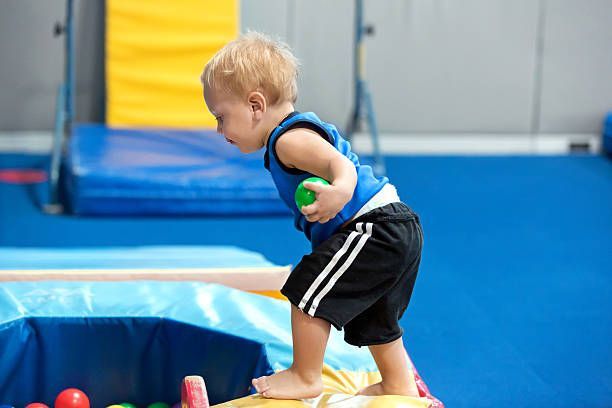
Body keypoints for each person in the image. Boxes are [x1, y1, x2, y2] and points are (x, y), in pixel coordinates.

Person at [201, 31, 423, 400]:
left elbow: (339, 165)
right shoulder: (294, 132)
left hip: (373, 227)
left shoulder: (288, 140)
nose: (219, 129)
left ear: (256, 105)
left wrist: (339, 190)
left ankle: (306, 375)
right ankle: (398, 385)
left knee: (306, 287)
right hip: (395, 228)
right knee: (375, 317)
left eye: (221, 117)